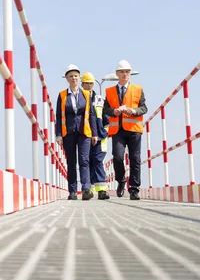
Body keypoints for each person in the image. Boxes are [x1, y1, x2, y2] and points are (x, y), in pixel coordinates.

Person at [103, 60, 148, 200]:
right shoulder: (109, 91)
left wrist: (134, 111)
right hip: (118, 130)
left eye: (127, 72)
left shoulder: (138, 89)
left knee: (135, 159)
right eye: (122, 72)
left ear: (130, 74)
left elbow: (144, 108)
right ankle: (121, 181)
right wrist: (113, 112)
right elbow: (105, 109)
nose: (124, 74)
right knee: (117, 157)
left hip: (134, 129)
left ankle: (134, 189)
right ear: (117, 74)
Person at [55, 64, 98, 200]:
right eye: (71, 76)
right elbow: (58, 115)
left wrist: (95, 133)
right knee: (71, 162)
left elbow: (92, 114)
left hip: (84, 132)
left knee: (84, 160)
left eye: (76, 76)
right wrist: (58, 134)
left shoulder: (86, 94)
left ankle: (86, 189)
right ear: (67, 78)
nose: (73, 78)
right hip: (68, 132)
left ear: (79, 78)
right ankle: (72, 191)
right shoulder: (62, 95)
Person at [81, 72, 110, 200]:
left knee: (98, 161)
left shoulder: (100, 100)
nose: (89, 85)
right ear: (82, 84)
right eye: (86, 83)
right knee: (88, 162)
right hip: (86, 136)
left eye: (91, 83)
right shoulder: (79, 99)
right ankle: (90, 189)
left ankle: (102, 190)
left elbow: (106, 119)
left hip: (100, 137)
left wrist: (102, 133)